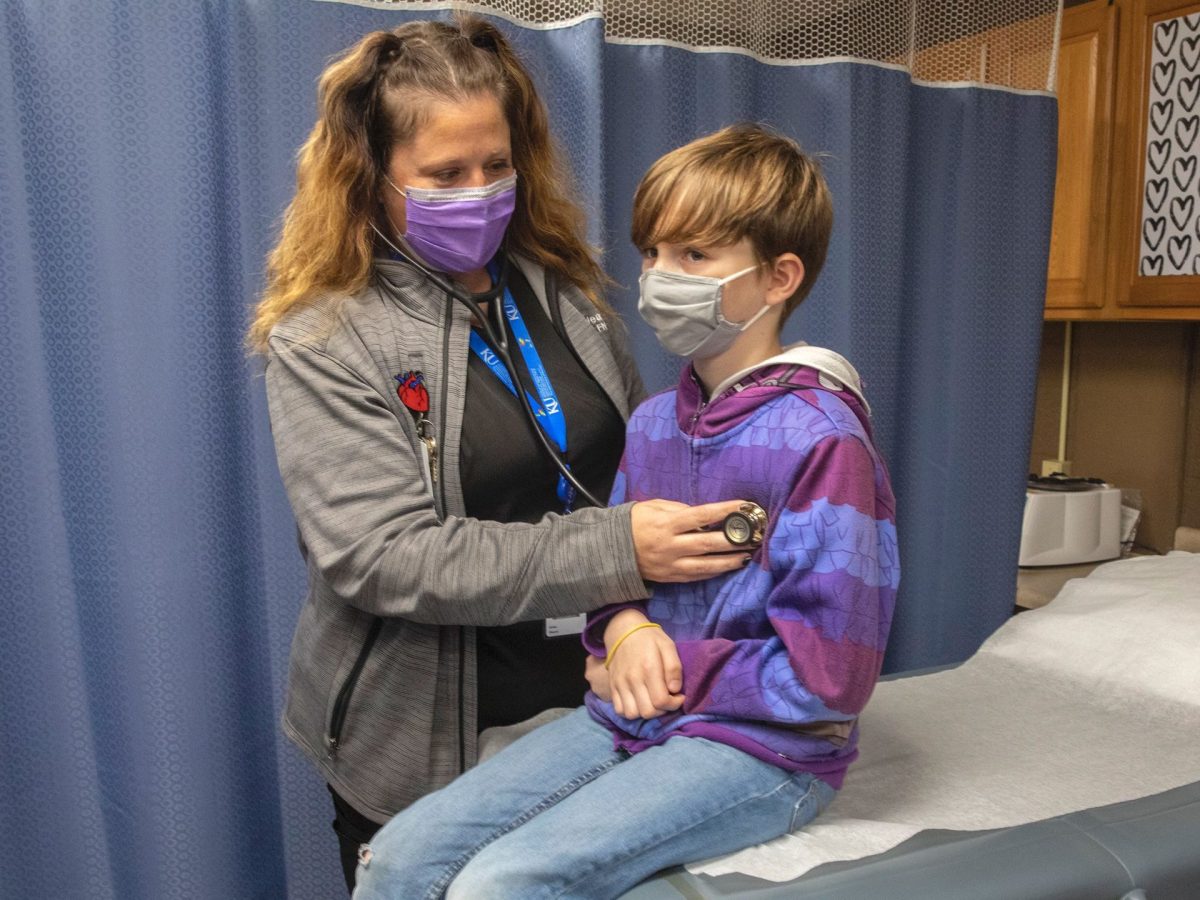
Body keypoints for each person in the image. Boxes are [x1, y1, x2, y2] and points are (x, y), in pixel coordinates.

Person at [247, 17, 752, 892]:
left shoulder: (560, 290)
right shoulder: (328, 337)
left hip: (599, 687)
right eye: (444, 174)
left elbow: (640, 459)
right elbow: (383, 556)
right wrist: (619, 550)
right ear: (371, 180)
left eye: (496, 166)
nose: (478, 191)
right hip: (423, 729)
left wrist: (632, 613)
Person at [350, 123, 900, 900]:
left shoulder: (824, 439)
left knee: (501, 887)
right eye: (653, 253)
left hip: (769, 750)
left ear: (779, 277)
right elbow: (618, 569)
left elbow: (832, 678)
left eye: (694, 256)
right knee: (399, 858)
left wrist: (660, 669)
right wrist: (630, 627)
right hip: (632, 717)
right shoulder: (653, 424)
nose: (658, 278)